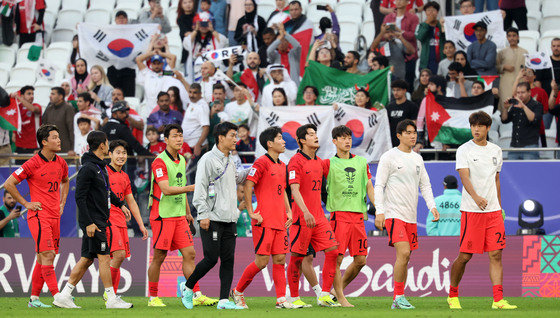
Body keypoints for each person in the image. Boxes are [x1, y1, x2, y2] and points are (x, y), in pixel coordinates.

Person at [448, 111, 517, 310]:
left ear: (487, 128)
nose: (476, 129)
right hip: (472, 211)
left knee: (496, 254)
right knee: (465, 256)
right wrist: (476, 198)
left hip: (493, 212)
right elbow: (464, 177)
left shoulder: (496, 150)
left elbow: (496, 179)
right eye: (473, 126)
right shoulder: (463, 150)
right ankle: (453, 294)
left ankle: (498, 300)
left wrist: (500, 206)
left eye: (480, 126)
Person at [58, 131, 132, 309]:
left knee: (86, 259)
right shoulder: (89, 168)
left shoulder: (99, 167)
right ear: (102, 146)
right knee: (105, 258)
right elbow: (80, 198)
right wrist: (88, 223)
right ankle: (111, 298)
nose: (108, 146)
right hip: (95, 222)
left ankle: (64, 295)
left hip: (98, 220)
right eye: (107, 143)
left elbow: (106, 192)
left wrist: (120, 204)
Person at [145, 124, 217, 307]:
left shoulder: (182, 160)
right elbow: (167, 190)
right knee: (159, 256)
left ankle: (196, 294)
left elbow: (181, 189)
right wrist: (193, 188)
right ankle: (153, 297)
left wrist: (187, 212)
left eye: (181, 136)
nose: (179, 139)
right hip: (162, 216)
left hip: (179, 216)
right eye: (175, 136)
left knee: (190, 254)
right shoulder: (159, 161)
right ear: (166, 139)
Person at [182, 122, 249, 310]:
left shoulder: (230, 159)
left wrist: (253, 170)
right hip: (211, 217)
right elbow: (200, 188)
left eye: (236, 136)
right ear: (220, 137)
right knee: (211, 258)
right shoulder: (207, 159)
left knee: (228, 260)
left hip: (229, 217)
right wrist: (203, 214)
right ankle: (187, 288)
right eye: (232, 135)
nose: (236, 139)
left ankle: (223, 301)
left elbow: (235, 179)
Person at [374, 119, 439, 309]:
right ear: (399, 135)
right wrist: (380, 211)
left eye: (414, 133)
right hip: (394, 214)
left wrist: (432, 206)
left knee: (406, 256)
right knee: (403, 252)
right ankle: (398, 297)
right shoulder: (389, 157)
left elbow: (425, 184)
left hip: (411, 216)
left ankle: (398, 297)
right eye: (408, 133)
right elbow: (379, 185)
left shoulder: (418, 158)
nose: (413, 136)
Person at [4, 124, 70, 308]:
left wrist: (62, 202)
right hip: (39, 216)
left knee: (44, 257)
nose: (59, 140)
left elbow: (65, 181)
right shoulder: (32, 163)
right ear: (44, 142)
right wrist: (26, 204)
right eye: (55, 137)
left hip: (54, 216)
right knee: (47, 254)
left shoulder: (61, 163)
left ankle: (34, 299)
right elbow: (9, 183)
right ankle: (58, 296)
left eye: (59, 136)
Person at [232, 126, 295, 309]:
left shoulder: (283, 165)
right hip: (264, 220)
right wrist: (251, 212)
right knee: (261, 262)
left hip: (280, 220)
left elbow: (282, 189)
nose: (283, 141)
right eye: (280, 138)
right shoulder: (261, 163)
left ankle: (281, 299)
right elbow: (249, 184)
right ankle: (237, 291)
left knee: (280, 260)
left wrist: (289, 211)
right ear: (270, 143)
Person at [286, 123, 339, 308]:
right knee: (298, 258)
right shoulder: (295, 161)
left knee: (333, 251)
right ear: (301, 140)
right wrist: (305, 212)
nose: (315, 136)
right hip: (302, 218)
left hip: (319, 217)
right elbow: (294, 189)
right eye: (310, 134)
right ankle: (293, 297)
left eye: (315, 133)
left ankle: (324, 294)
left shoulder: (319, 162)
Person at [321, 126, 375, 307]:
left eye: (349, 137)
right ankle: (341, 298)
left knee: (360, 260)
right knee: (336, 259)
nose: (347, 141)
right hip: (339, 216)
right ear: (334, 141)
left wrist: (378, 206)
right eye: (343, 138)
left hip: (359, 217)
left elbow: (369, 185)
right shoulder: (328, 164)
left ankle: (337, 291)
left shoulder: (361, 162)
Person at [105, 140, 148, 298]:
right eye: (118, 152)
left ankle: (112, 294)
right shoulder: (103, 173)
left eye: (124, 153)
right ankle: (110, 293)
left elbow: (132, 202)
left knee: (119, 257)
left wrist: (141, 225)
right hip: (108, 220)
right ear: (110, 154)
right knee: (119, 255)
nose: (121, 156)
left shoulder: (124, 176)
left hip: (121, 221)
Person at [136, 51, 190, 117]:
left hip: (163, 108)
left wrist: (161, 53)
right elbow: (138, 59)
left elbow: (173, 57)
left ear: (162, 64)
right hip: (149, 110)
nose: (156, 66)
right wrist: (152, 53)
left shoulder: (167, 73)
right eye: (154, 63)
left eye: (158, 63)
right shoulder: (147, 73)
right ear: (151, 64)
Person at [382, 0, 420, 89]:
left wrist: (399, 31)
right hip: (392, 55)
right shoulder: (388, 17)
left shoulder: (413, 18)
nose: (398, 2)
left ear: (408, 2)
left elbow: (414, 35)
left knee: (408, 84)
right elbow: (383, 35)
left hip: (408, 55)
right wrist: (388, 35)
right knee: (391, 83)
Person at [501, 82, 543, 160]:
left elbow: (533, 119)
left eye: (523, 92)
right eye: (518, 93)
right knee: (511, 172)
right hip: (514, 147)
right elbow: (504, 120)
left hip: (530, 147)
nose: (520, 95)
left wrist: (523, 107)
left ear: (529, 92)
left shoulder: (537, 105)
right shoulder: (515, 106)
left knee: (529, 171)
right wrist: (505, 108)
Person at [183, 16, 229, 82]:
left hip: (212, 70)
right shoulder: (194, 37)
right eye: (201, 24)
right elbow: (186, 43)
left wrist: (212, 30)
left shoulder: (215, 37)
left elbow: (224, 41)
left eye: (206, 24)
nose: (203, 27)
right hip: (197, 71)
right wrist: (196, 29)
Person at [106, 11, 136, 97]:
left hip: (128, 69)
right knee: (112, 96)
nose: (121, 20)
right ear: (115, 20)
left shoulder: (133, 33)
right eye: (119, 18)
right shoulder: (109, 33)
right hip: (113, 69)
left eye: (123, 18)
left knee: (128, 97)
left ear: (127, 20)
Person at [497, 27, 527, 112]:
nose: (512, 38)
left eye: (514, 35)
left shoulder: (525, 52)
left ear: (518, 37)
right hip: (505, 84)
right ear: (506, 37)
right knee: (505, 105)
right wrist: (504, 67)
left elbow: (528, 69)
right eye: (509, 36)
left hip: (520, 84)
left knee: (519, 106)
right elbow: (496, 67)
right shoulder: (502, 52)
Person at [415, 75, 446, 151]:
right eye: (428, 84)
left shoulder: (449, 101)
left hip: (445, 145)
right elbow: (420, 122)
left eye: (431, 84)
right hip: (429, 143)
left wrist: (448, 143)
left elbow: (451, 124)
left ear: (439, 88)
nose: (428, 86)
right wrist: (419, 142)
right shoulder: (426, 100)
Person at [42, 87, 76, 154]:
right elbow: (44, 129)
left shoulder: (68, 109)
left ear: (60, 96)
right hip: (50, 148)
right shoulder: (49, 109)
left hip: (65, 149)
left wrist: (72, 148)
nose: (50, 96)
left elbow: (72, 129)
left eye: (53, 94)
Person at [415, 1, 446, 75]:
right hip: (426, 61)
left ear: (437, 12)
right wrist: (427, 23)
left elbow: (447, 38)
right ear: (425, 12)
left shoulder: (441, 24)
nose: (431, 12)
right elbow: (420, 37)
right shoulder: (421, 25)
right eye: (428, 10)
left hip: (440, 60)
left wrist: (442, 26)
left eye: (433, 10)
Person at [386, 80, 419, 146]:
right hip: (392, 142)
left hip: (407, 142)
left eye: (398, 90)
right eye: (394, 90)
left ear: (404, 90)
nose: (395, 93)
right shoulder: (389, 107)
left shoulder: (412, 106)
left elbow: (414, 124)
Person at [182, 83, 210, 159]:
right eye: (190, 92)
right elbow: (189, 89)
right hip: (187, 146)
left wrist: (198, 145)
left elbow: (206, 128)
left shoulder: (201, 106)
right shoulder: (193, 101)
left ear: (200, 94)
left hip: (196, 148)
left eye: (195, 93)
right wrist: (181, 79)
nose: (191, 95)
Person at [13, 86, 42, 154]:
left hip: (34, 147)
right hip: (20, 147)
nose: (32, 96)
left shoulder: (37, 106)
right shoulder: (18, 108)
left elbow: (33, 109)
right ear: (22, 96)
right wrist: (14, 133)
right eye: (29, 94)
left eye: (32, 94)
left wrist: (18, 98)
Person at [177, 0, 197, 65]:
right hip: (187, 52)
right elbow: (187, 34)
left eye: (190, 2)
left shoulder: (198, 16)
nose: (188, 4)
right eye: (185, 3)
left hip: (198, 49)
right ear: (181, 5)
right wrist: (197, 30)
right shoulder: (181, 19)